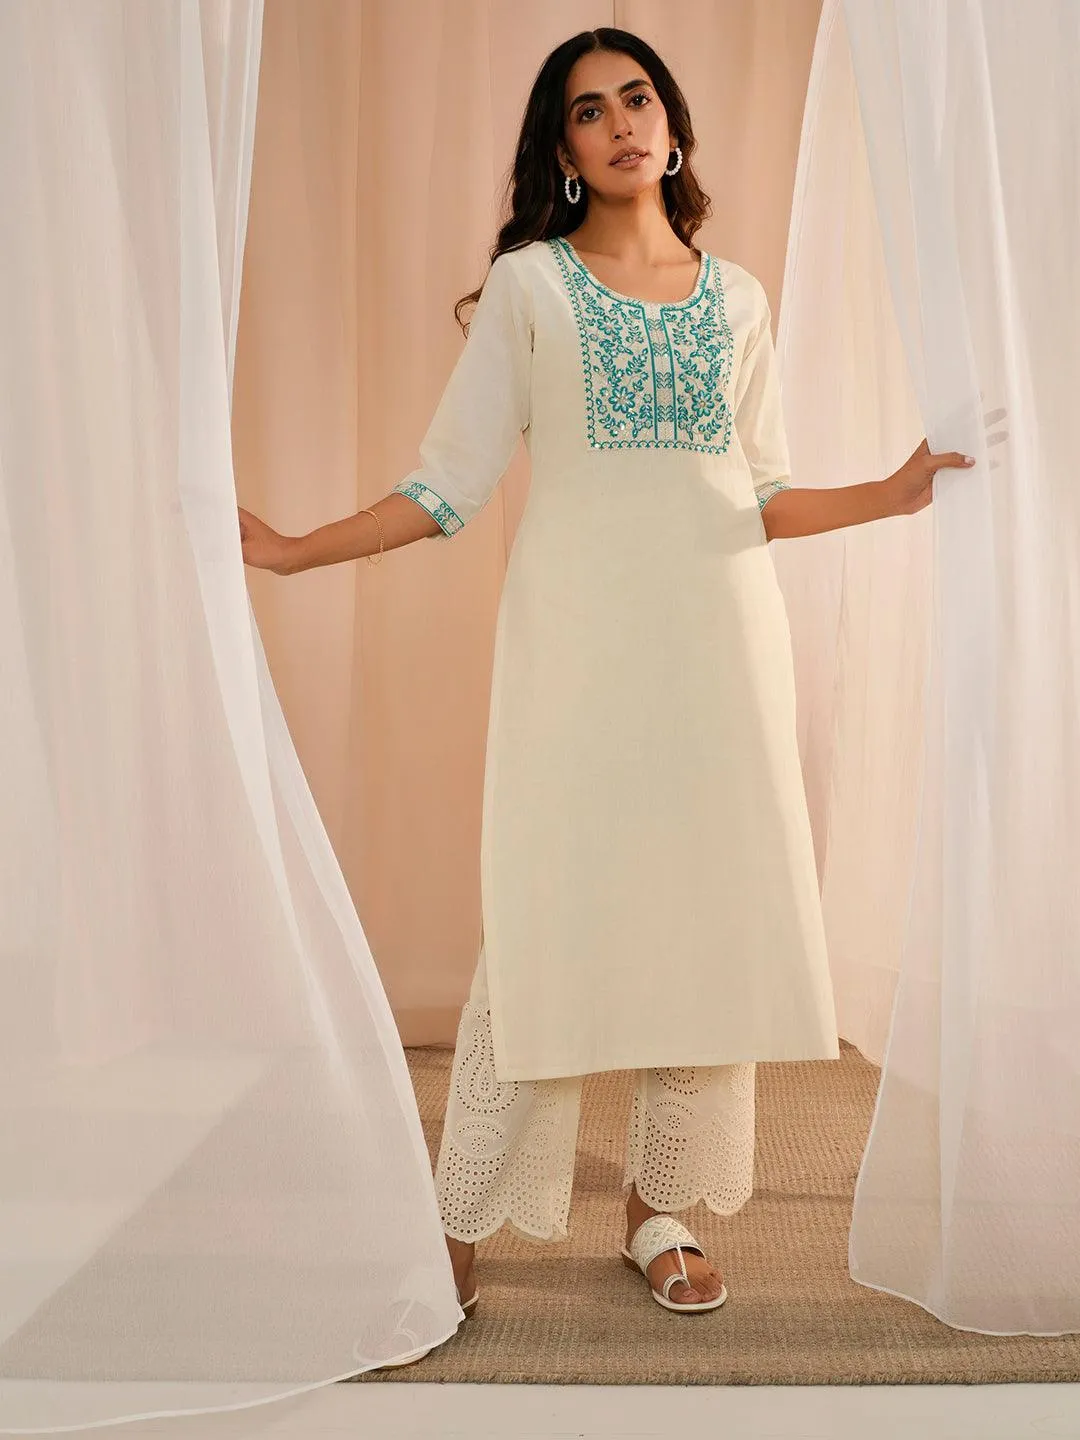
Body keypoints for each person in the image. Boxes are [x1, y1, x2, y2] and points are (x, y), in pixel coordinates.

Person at [238, 28, 976, 1325]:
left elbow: (762, 494)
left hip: (719, 651)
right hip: (577, 653)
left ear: (673, 126)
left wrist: (894, 493)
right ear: (565, 151)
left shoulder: (738, 300)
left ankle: (663, 1213)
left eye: (638, 98)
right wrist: (297, 552)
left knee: (706, 918)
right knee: (547, 920)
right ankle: (459, 1223)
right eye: (590, 110)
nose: (622, 122)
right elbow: (446, 486)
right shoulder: (530, 291)